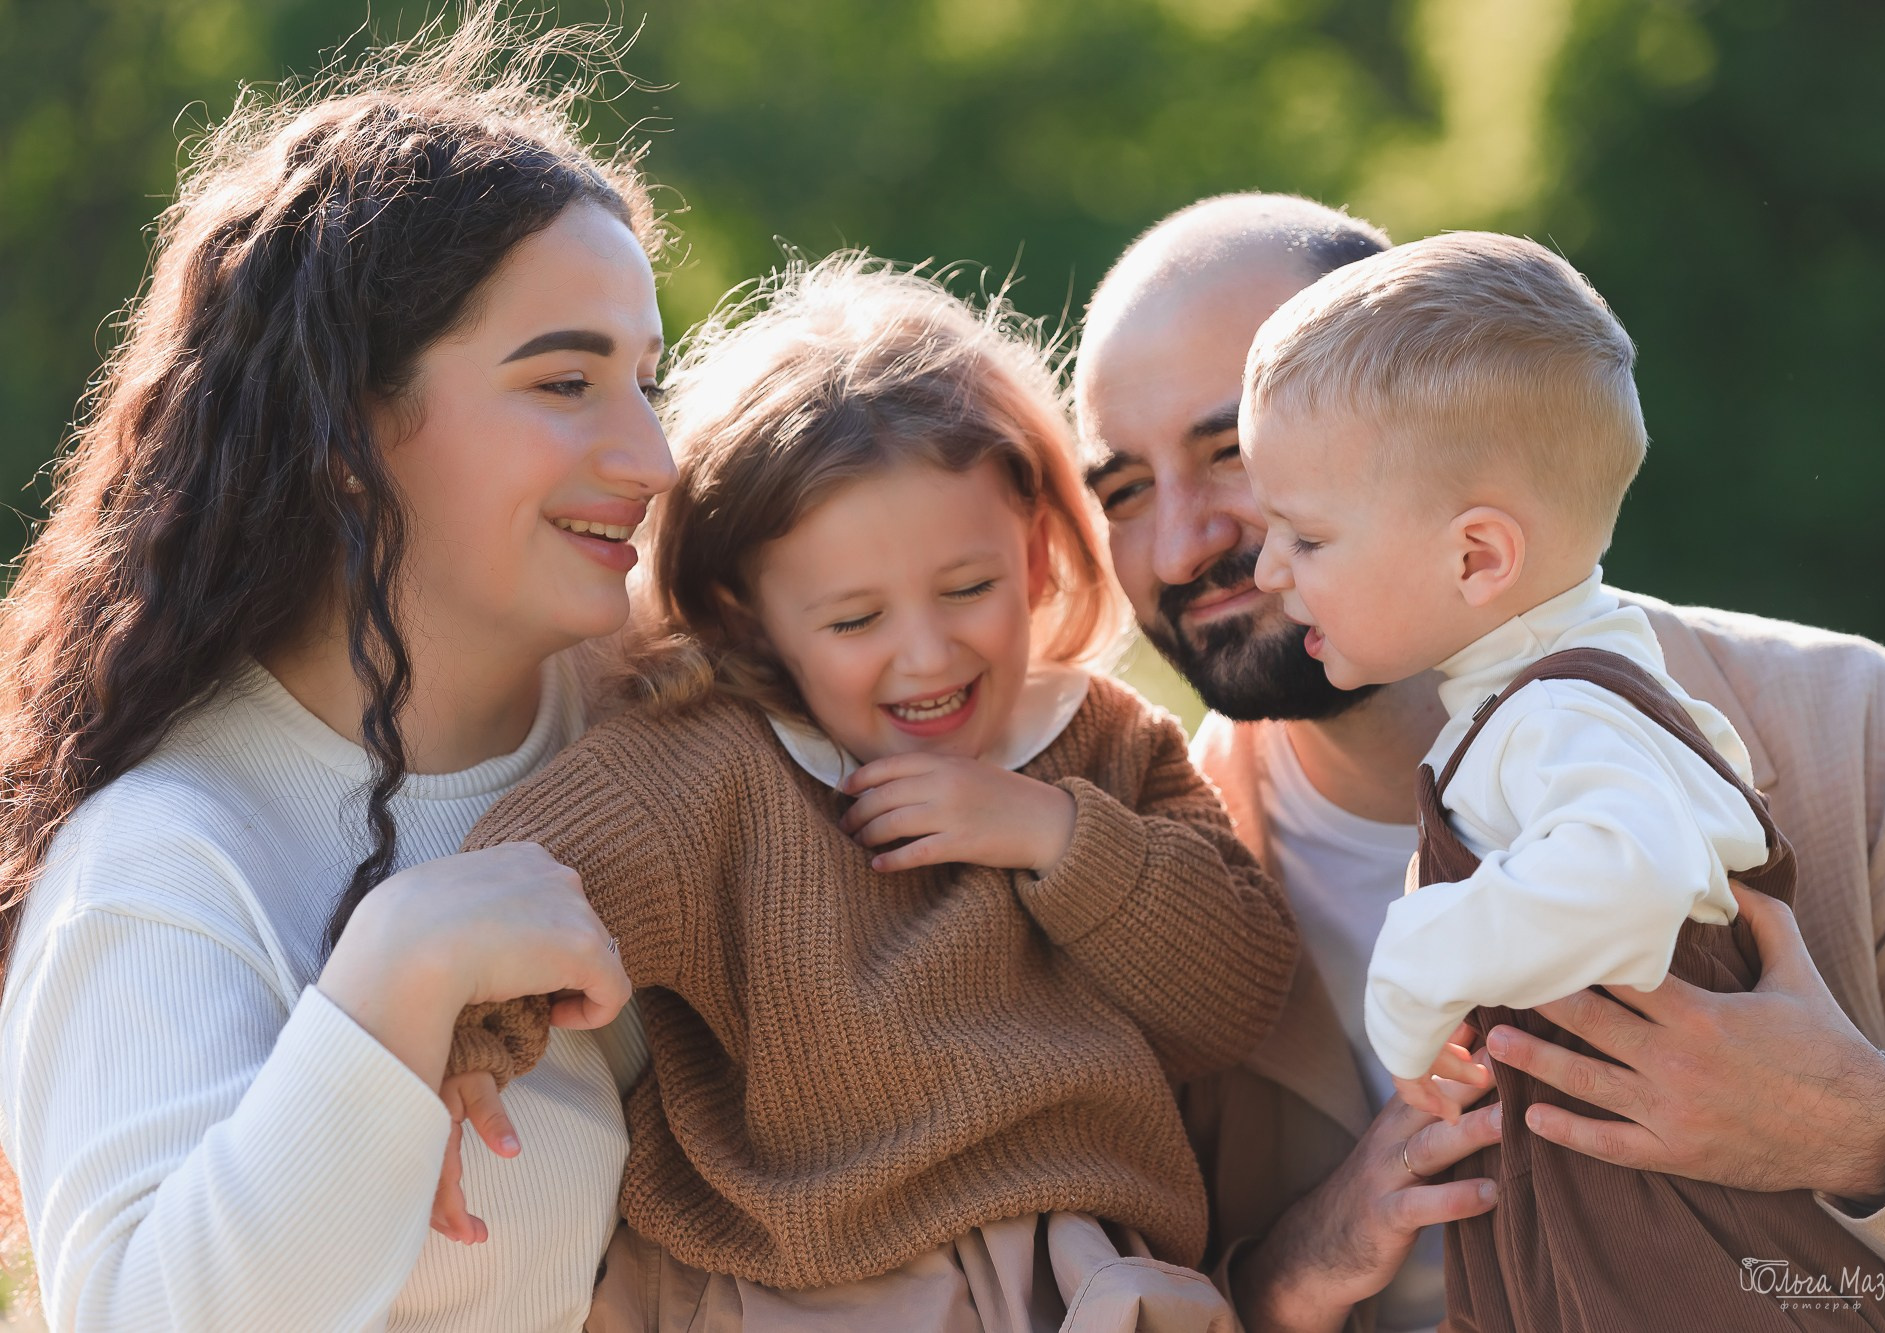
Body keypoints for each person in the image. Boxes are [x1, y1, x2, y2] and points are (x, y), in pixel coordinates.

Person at [1074, 193, 1885, 1332]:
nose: (1184, 543)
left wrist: (1861, 1128)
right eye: (1120, 488)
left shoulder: (1847, 722)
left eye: (1234, 455)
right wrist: (1294, 1271)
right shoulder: (1139, 873)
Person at [438, 256, 1298, 1332]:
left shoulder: (1098, 744)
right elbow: (513, 884)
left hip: (1071, 1278)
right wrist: (463, 1043)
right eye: (854, 621)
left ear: (1033, 552)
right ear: (748, 614)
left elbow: (1235, 993)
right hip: (802, 1286)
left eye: (968, 588)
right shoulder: (708, 768)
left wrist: (1053, 834)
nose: (926, 655)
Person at [0, 12, 673, 1329]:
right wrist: (402, 972)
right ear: (345, 434)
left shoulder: (686, 719)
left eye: (649, 380)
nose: (651, 457)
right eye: (565, 382)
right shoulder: (164, 865)